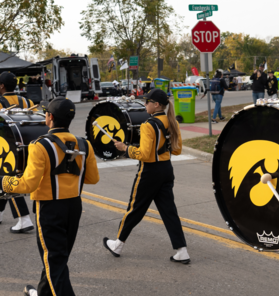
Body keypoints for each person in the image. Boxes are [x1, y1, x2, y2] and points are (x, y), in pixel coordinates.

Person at [0, 97, 99, 296]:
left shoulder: (40, 145)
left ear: (50, 117)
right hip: (74, 207)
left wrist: (3, 181)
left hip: (50, 210)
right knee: (57, 260)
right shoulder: (84, 144)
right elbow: (92, 179)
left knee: (55, 262)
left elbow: (28, 184)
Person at [104, 89, 191, 265]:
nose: (145, 105)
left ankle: (118, 245)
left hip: (149, 172)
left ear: (156, 104)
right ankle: (182, 251)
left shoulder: (148, 125)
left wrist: (125, 148)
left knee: (134, 209)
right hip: (166, 169)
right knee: (169, 212)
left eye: (147, 102)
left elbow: (144, 154)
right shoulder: (172, 122)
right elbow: (177, 149)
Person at [0, 72, 37, 234]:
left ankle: (24, 219)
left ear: (2, 86)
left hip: (7, 148)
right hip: (29, 146)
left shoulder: (0, 103)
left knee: (9, 180)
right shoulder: (27, 101)